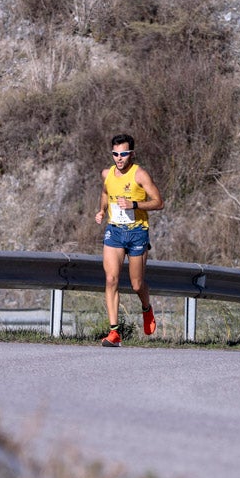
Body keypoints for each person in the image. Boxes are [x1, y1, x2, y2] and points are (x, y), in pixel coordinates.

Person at [95, 133, 163, 347]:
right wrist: (102, 210)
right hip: (114, 231)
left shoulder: (140, 175)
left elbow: (159, 202)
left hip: (137, 233)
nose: (119, 158)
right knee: (111, 280)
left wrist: (134, 204)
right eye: (115, 154)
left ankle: (146, 307)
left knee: (136, 284)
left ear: (131, 153)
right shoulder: (107, 173)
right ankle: (114, 333)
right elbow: (106, 192)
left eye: (123, 154)